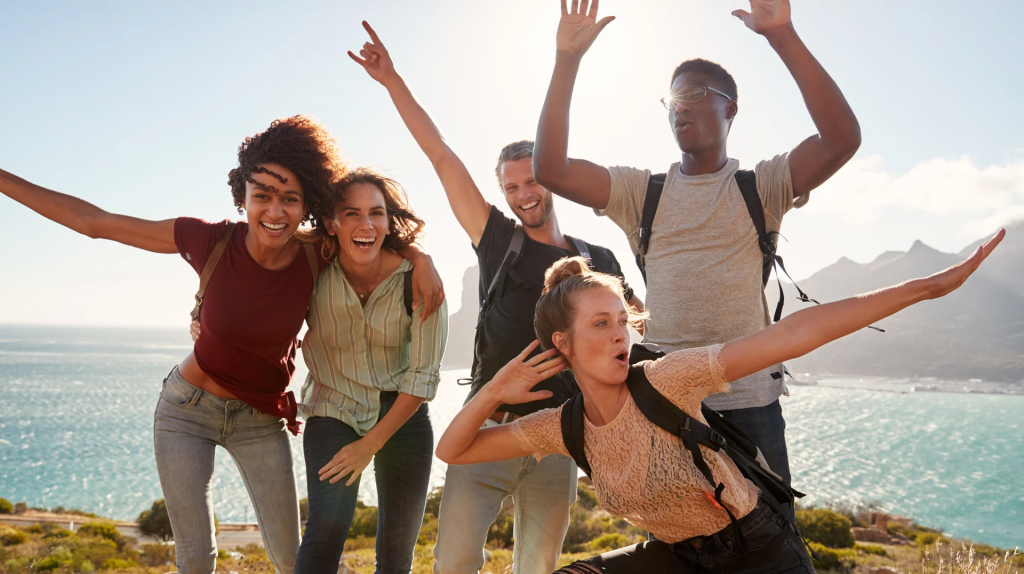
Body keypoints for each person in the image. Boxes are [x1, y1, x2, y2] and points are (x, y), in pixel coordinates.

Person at [0, 116, 443, 574]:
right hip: (186, 411)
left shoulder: (316, 253)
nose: (275, 212)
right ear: (243, 198)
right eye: (262, 197)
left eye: (290, 199)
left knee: (295, 557)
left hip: (259, 417)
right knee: (195, 559)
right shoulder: (208, 239)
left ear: (307, 204)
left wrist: (420, 257)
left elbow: (365, 235)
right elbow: (95, 223)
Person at [436, 230, 1004, 574]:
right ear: (563, 344)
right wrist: (490, 392)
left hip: (758, 554)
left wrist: (926, 288)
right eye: (600, 325)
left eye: (622, 323)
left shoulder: (664, 379)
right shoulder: (564, 427)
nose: (619, 336)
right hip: (677, 559)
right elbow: (453, 451)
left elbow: (792, 334)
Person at [532, 0, 863, 496]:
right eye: (671, 99)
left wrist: (781, 36)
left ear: (729, 107)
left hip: (751, 405)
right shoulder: (642, 193)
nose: (679, 106)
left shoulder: (764, 186)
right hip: (665, 402)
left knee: (772, 550)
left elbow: (842, 139)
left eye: (692, 93)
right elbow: (551, 170)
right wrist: (567, 60)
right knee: (679, 547)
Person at [347, 22, 644, 574]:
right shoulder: (498, 241)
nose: (524, 194)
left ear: (550, 180)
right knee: (455, 561)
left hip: (559, 434)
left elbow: (630, 347)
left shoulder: (600, 258)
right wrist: (392, 82)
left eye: (532, 181)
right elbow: (440, 155)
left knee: (539, 567)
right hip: (487, 425)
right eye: (511, 187)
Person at [295, 168, 447, 574]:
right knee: (326, 525)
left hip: (403, 416)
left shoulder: (418, 280)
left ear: (387, 220)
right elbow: (257, 268)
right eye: (351, 214)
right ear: (332, 222)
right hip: (333, 408)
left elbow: (422, 377)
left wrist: (370, 445)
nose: (366, 225)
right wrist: (204, 307)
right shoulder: (312, 268)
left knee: (396, 554)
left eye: (376, 213)